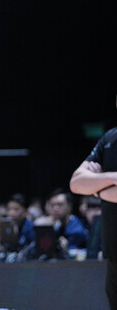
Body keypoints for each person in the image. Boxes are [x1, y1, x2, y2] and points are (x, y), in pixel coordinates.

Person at [70, 122, 117, 309]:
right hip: (114, 253)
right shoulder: (110, 137)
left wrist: (95, 187)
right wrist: (111, 178)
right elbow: (76, 183)